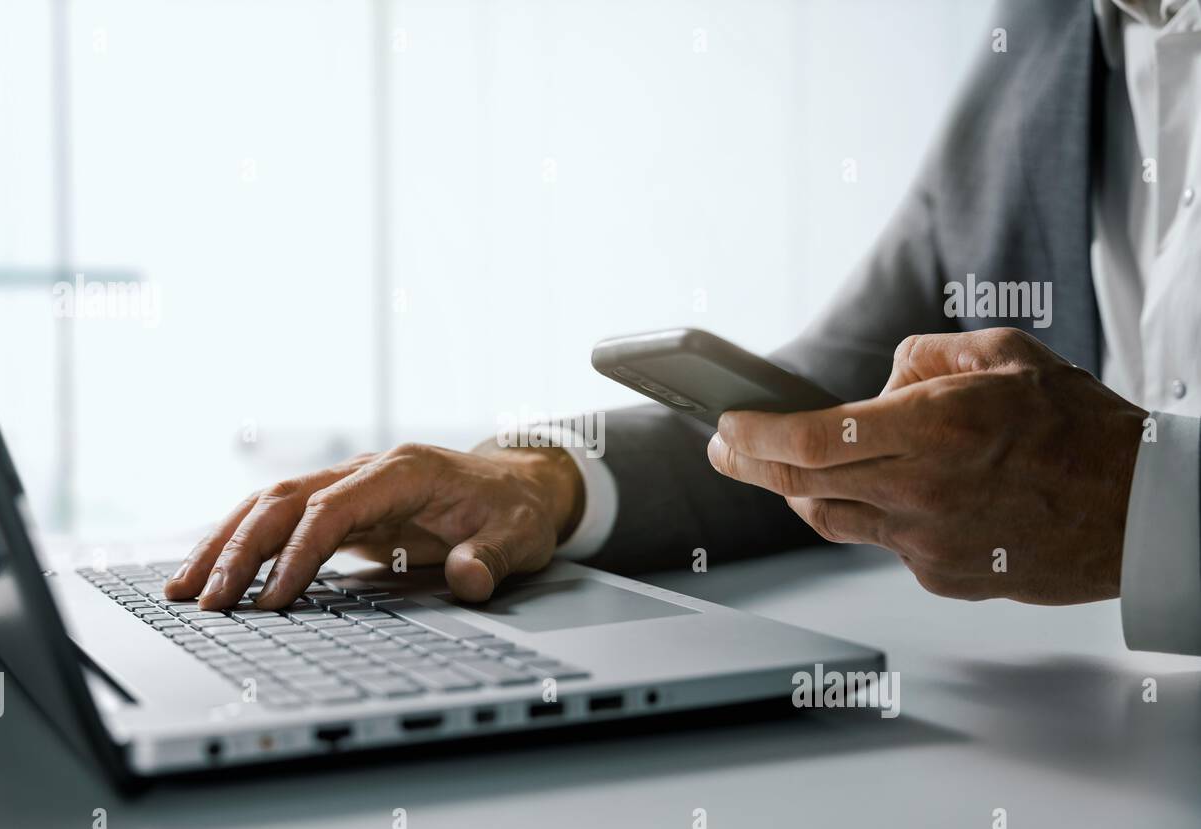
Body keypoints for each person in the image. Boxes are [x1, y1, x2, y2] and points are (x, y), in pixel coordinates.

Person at [165, 0, 1201, 655]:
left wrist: (1139, 507)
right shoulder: (1040, 39)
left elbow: (1112, 492)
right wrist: (539, 480)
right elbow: (826, 402)